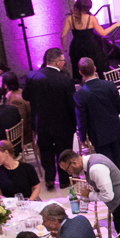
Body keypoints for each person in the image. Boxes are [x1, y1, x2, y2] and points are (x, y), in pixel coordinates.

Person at [23, 49, 77, 189]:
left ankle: (49, 178)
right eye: (63, 60)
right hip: (63, 123)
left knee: (46, 150)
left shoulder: (32, 76)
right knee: (63, 151)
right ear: (58, 62)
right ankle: (65, 180)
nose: (64, 63)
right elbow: (72, 104)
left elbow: (26, 96)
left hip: (41, 123)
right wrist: (75, 123)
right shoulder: (65, 80)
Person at [61, 0, 120, 75]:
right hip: (91, 47)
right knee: (96, 67)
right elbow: (103, 33)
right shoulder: (91, 19)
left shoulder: (70, 19)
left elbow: (63, 35)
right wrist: (116, 24)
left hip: (76, 47)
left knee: (79, 69)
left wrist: (64, 48)